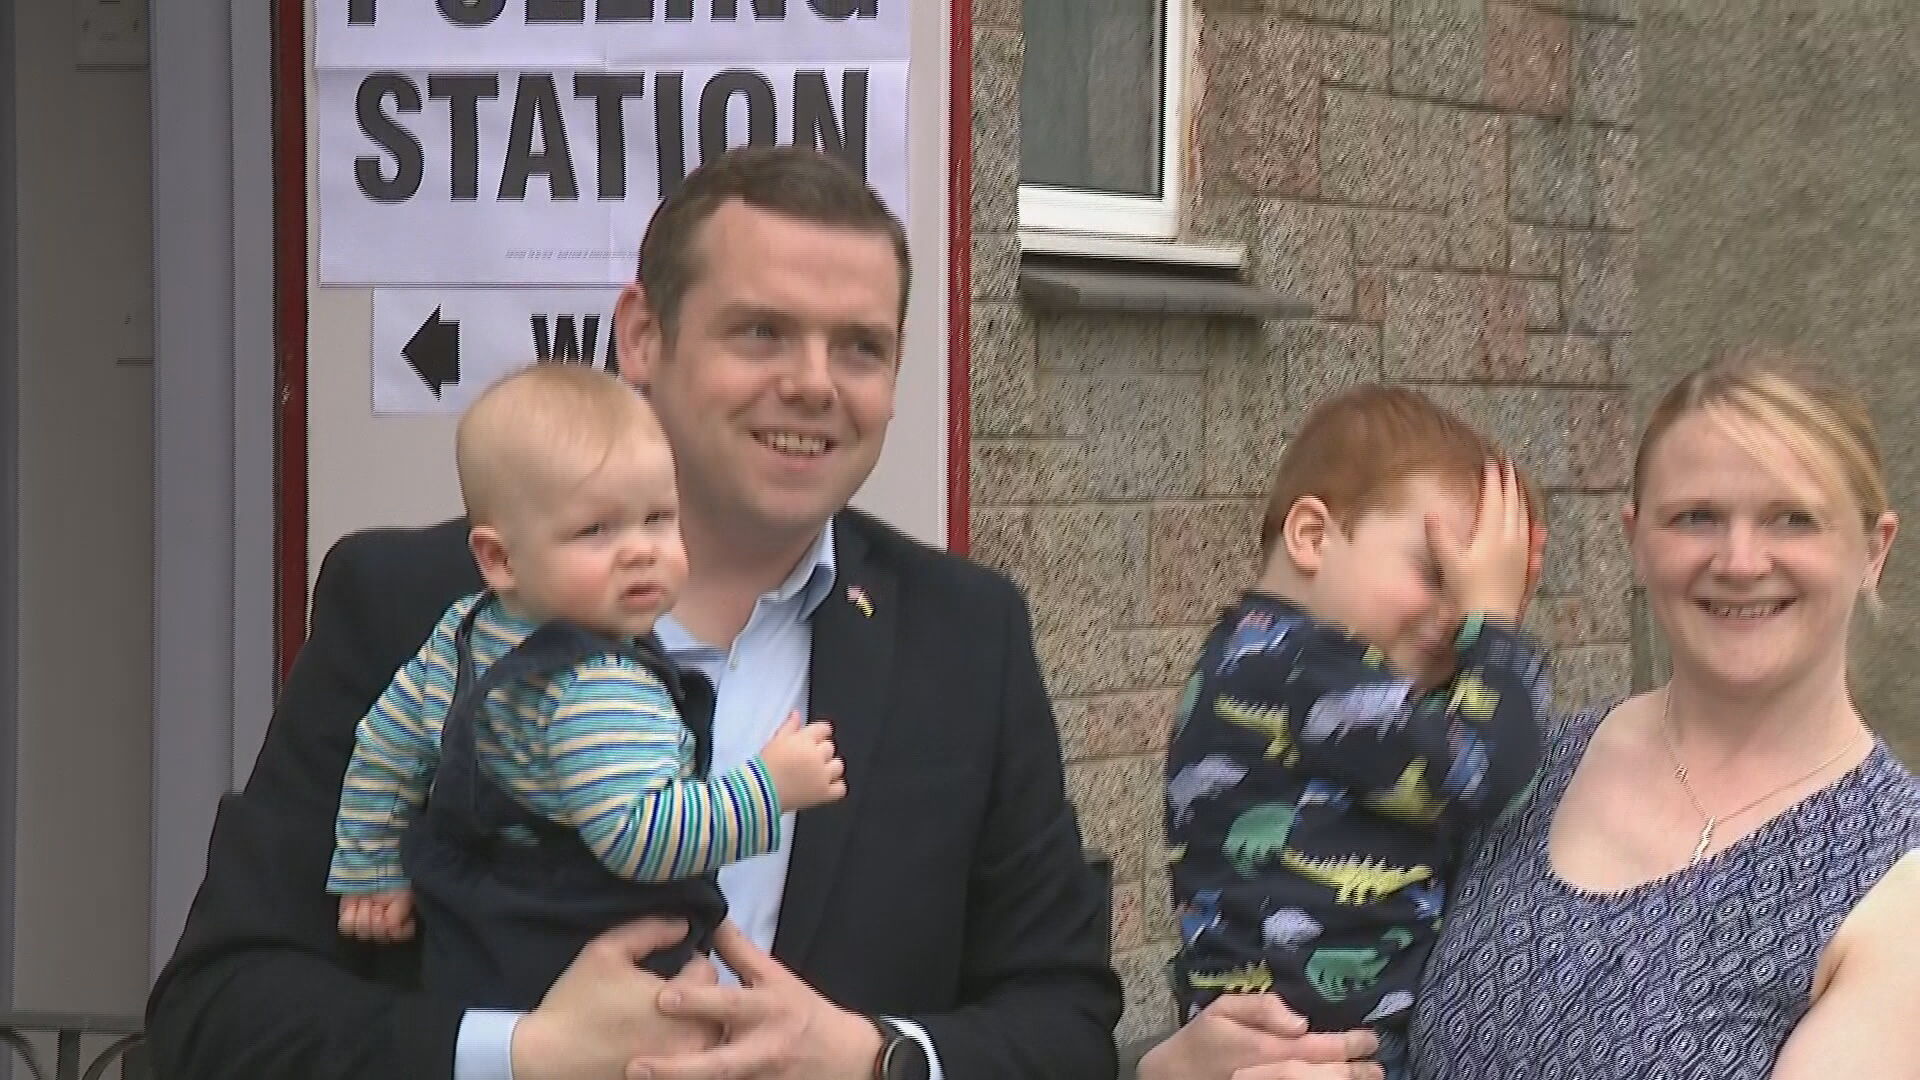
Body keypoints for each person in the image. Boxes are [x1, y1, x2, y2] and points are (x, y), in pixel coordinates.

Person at [146, 145, 1122, 1080]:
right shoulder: (414, 605)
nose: (815, 383)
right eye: (762, 332)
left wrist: (871, 1058)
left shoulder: (968, 639)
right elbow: (219, 1012)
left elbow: (1065, 1023)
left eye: (860, 347)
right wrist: (519, 1056)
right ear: (643, 337)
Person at [1139, 352, 1920, 1080]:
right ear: (1636, 542)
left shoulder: (1895, 880)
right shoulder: (1538, 766)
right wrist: (1172, 1071)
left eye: (1793, 519)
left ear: (1873, 549)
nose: (1741, 560)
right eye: (1696, 518)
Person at [326, 364, 846, 1008]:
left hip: (480, 952)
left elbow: (385, 747)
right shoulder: (600, 686)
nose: (640, 551)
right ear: (500, 559)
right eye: (595, 531)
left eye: (658, 519)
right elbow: (636, 835)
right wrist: (768, 788)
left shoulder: (465, 631)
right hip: (584, 957)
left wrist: (373, 868)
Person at [1164, 385, 1548, 1080]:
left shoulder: (1255, 657)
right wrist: (1498, 631)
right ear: (1313, 536)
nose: (1454, 615)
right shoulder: (1303, 667)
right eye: (1437, 572)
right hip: (1313, 1057)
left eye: (1469, 591)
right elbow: (1481, 774)